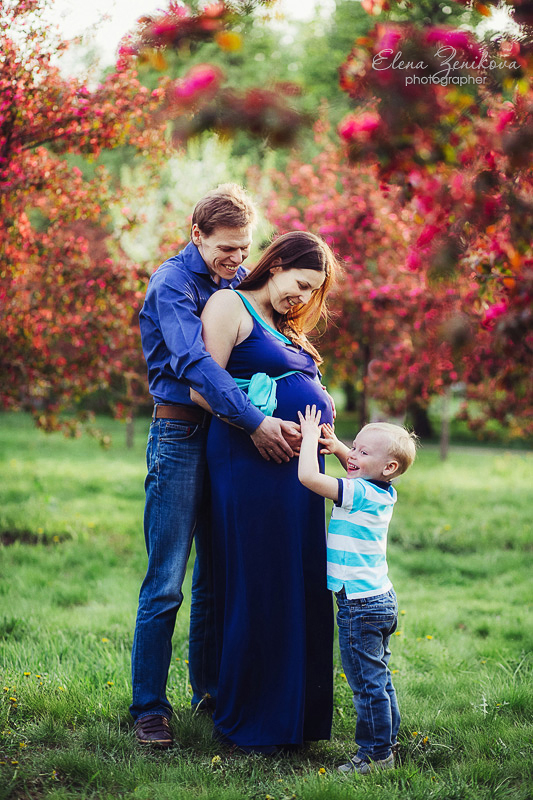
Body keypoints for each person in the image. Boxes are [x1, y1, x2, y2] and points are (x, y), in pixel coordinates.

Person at [130, 185, 300, 748]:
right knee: (167, 580)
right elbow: (195, 363)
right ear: (197, 234)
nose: (238, 258)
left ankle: (208, 691)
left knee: (214, 576)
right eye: (226, 248)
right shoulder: (172, 284)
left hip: (224, 438)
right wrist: (254, 420)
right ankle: (149, 709)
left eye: (245, 248)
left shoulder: (236, 281)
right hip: (180, 434)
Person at [190, 230, 339, 753]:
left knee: (298, 583)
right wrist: (259, 423)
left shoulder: (285, 326)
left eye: (313, 291)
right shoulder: (230, 305)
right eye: (301, 282)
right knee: (261, 582)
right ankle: (253, 720)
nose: (304, 297)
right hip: (251, 462)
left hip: (300, 475)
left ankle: (294, 719)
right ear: (275, 265)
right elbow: (202, 386)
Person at [297, 408, 417, 774]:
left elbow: (308, 477)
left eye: (363, 452)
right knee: (379, 678)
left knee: (366, 685)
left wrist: (309, 437)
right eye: (354, 447)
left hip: (359, 606)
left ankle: (375, 755)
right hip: (380, 599)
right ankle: (388, 742)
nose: (353, 454)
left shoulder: (359, 493)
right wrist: (338, 447)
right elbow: (357, 469)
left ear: (389, 467)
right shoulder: (383, 491)